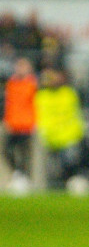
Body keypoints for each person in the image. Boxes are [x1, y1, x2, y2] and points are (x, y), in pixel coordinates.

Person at [33, 68, 86, 186]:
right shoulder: (41, 96)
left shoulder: (68, 94)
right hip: (49, 138)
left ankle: (71, 183)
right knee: (51, 170)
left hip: (68, 136)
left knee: (70, 165)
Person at [3, 57, 37, 185]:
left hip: (26, 124)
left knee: (24, 153)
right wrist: (7, 120)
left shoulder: (32, 84)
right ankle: (17, 173)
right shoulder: (11, 84)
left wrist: (35, 122)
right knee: (7, 150)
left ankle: (24, 178)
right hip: (13, 124)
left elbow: (35, 104)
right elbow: (9, 104)